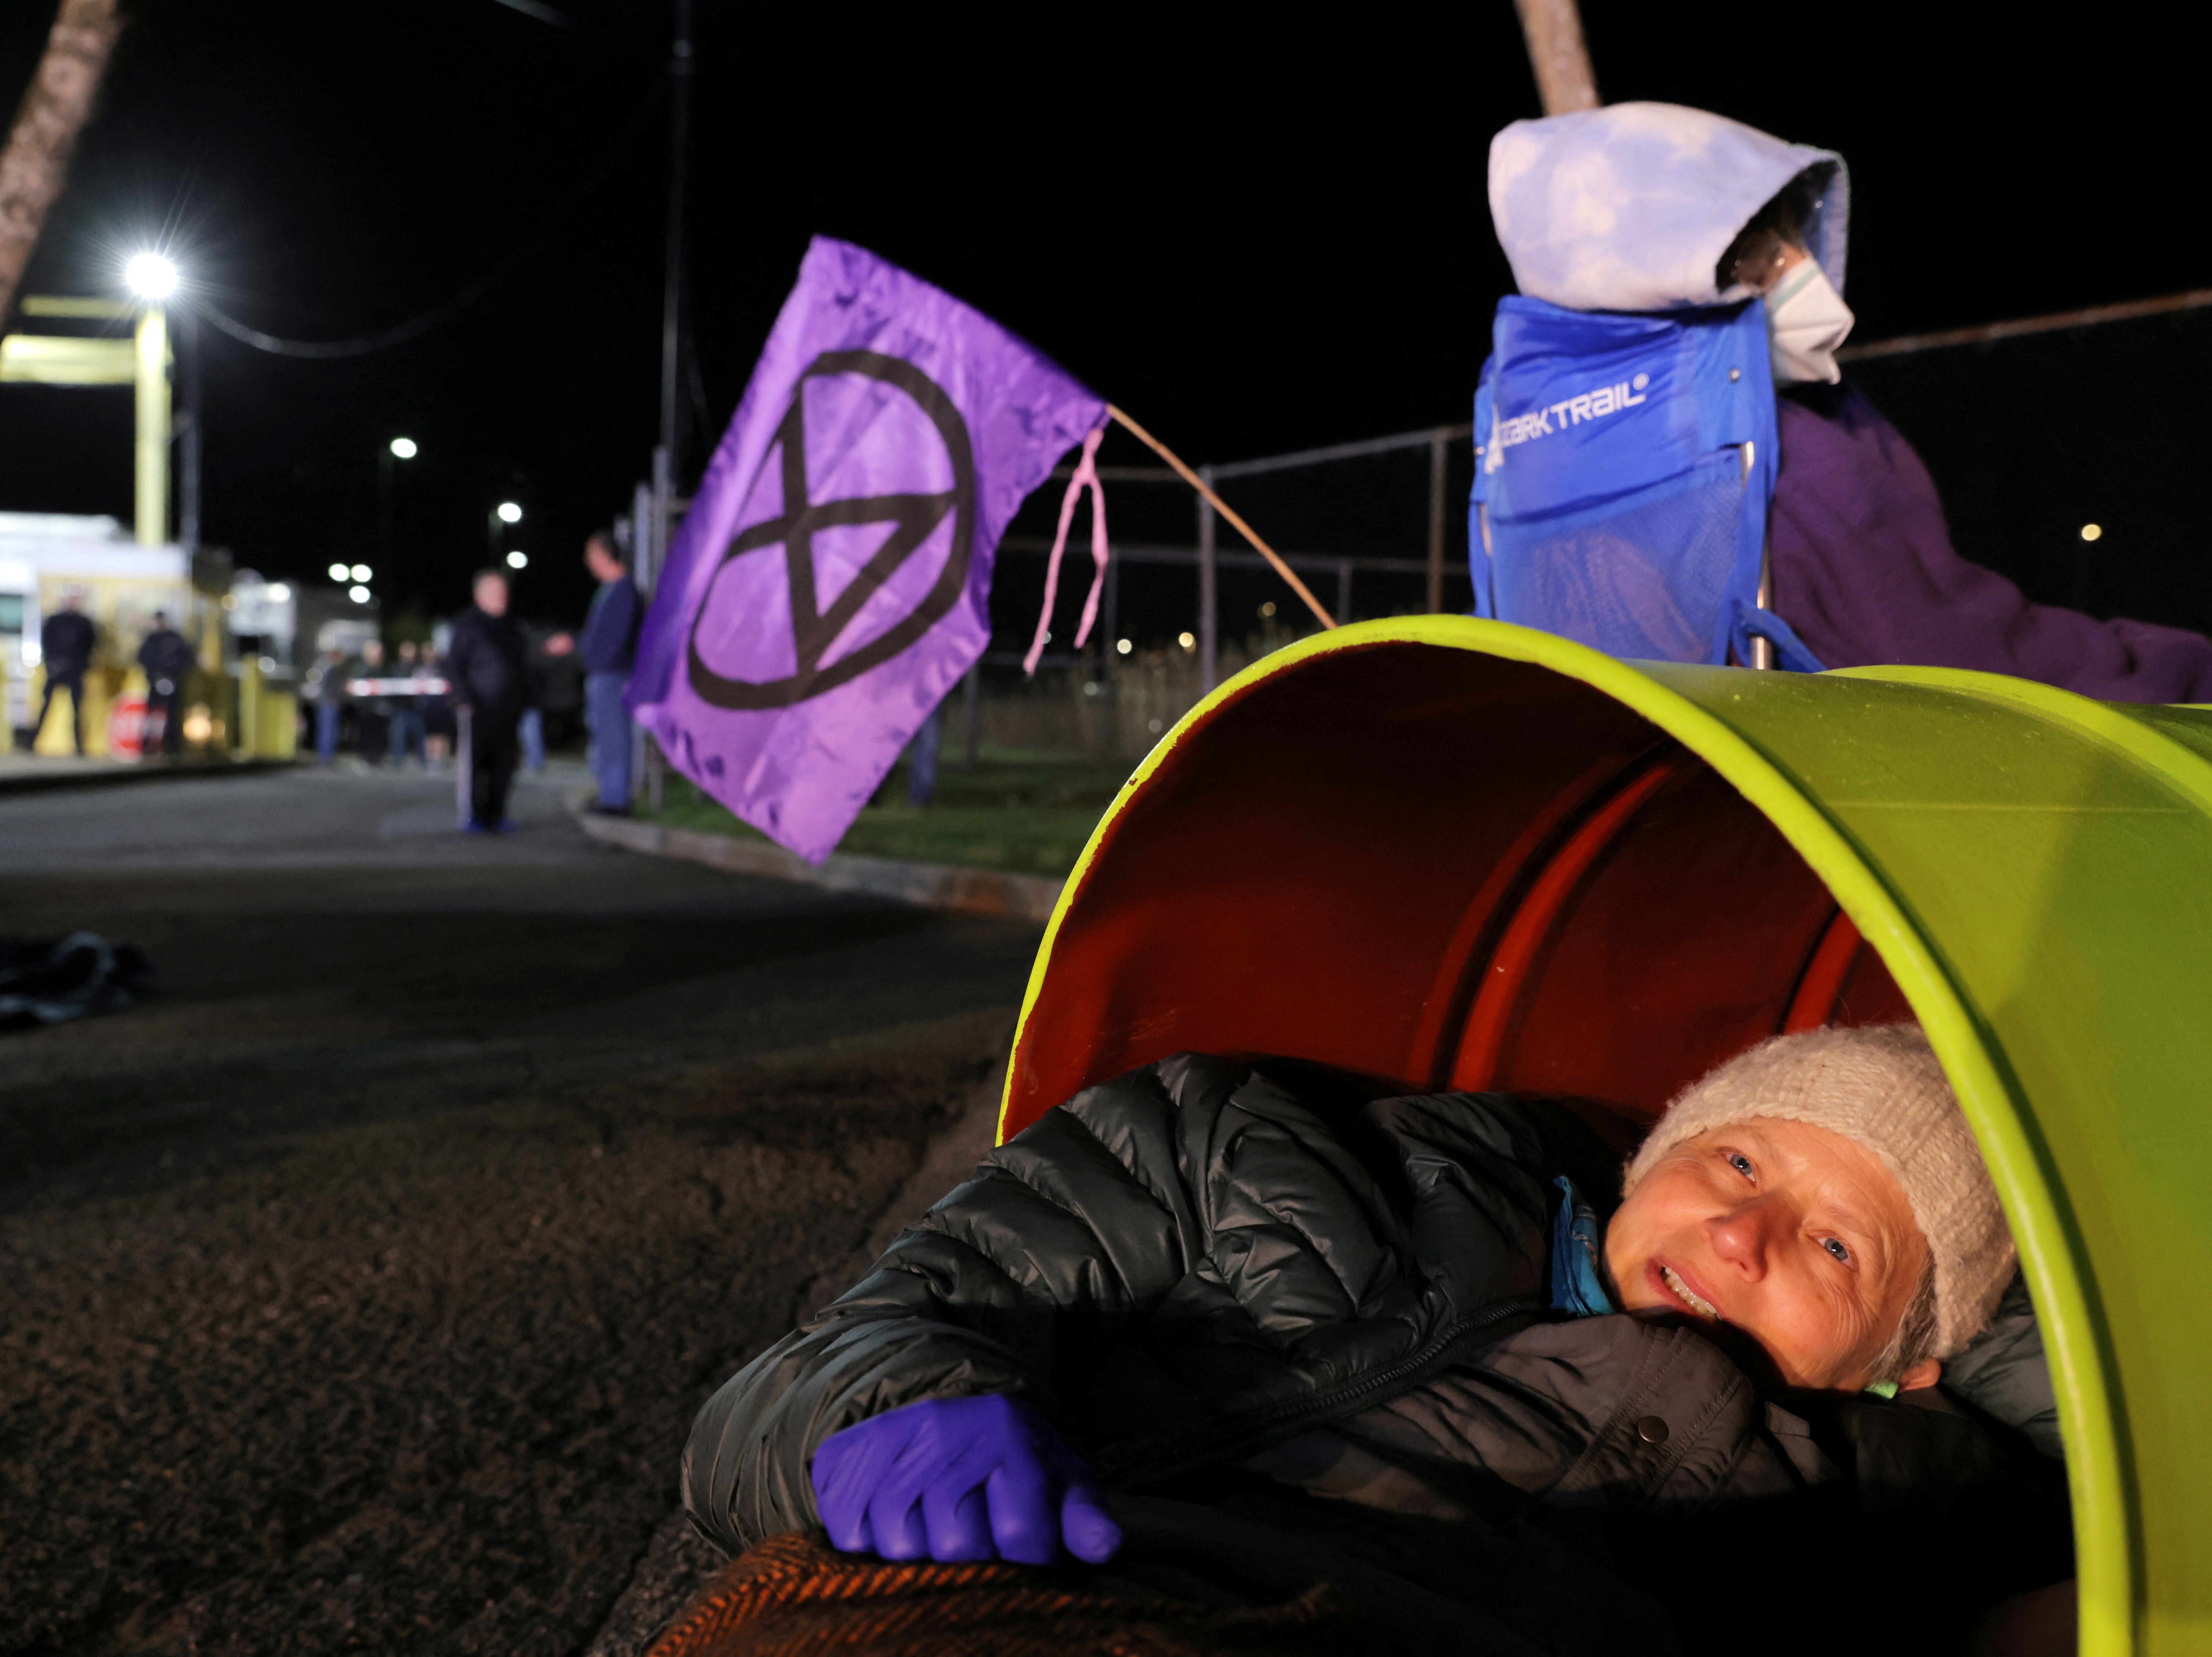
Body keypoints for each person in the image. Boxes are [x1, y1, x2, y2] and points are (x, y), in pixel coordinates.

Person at [683, 1026, 2069, 1653]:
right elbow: (805, 1378)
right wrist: (884, 1409)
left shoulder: (1901, 1483)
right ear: (1661, 1147)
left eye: (1838, 1247)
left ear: (1907, 1354)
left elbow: (2112, 1456)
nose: (1741, 1238)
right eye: (1742, 1162)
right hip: (1079, 1592)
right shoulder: (1255, 1156)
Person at [1487, 103, 2212, 701]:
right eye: (1758, 257)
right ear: (1682, 278)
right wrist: (2176, 667)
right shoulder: (1784, 463)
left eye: (1790, 238)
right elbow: (1971, 669)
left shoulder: (1529, 458)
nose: (1801, 272)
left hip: (1657, 802)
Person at [549, 530, 641, 816]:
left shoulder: (623, 591)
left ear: (605, 555)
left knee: (613, 737)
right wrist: (577, 644)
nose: (588, 561)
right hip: (605, 675)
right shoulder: (610, 591)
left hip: (613, 676)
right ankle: (609, 794)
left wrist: (581, 649)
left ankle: (616, 799)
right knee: (605, 738)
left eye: (592, 555)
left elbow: (612, 642)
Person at [444, 569, 532, 832]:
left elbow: (523, 666)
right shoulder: (467, 625)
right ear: (479, 595)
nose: (501, 598)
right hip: (478, 707)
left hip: (509, 707)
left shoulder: (514, 626)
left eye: (504, 592)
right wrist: (465, 698)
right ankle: (474, 815)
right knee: (475, 764)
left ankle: (497, 813)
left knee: (504, 764)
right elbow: (454, 666)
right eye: (494, 593)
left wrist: (526, 697)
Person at [34, 591, 96, 755]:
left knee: (77, 709)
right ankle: (33, 742)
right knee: (46, 706)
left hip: (75, 670)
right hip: (56, 668)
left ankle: (79, 745)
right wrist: (51, 663)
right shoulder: (55, 621)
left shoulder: (84, 623)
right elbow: (46, 642)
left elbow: (90, 645)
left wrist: (82, 665)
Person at [135, 610, 194, 759]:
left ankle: (171, 744)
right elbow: (143, 659)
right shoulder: (151, 639)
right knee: (152, 714)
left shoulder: (174, 639)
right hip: (155, 681)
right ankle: (149, 744)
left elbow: (186, 659)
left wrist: (173, 674)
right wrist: (155, 675)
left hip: (172, 680)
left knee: (172, 714)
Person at [347, 637, 391, 765]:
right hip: (366, 708)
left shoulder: (384, 670)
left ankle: (377, 757)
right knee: (366, 734)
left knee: (380, 734)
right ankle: (366, 756)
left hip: (381, 708)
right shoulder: (361, 669)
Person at [387, 639, 426, 767]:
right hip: (401, 707)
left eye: (411, 650)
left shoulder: (420, 667)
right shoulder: (395, 667)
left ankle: (423, 760)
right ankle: (398, 760)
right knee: (399, 734)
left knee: (420, 735)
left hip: (417, 707)